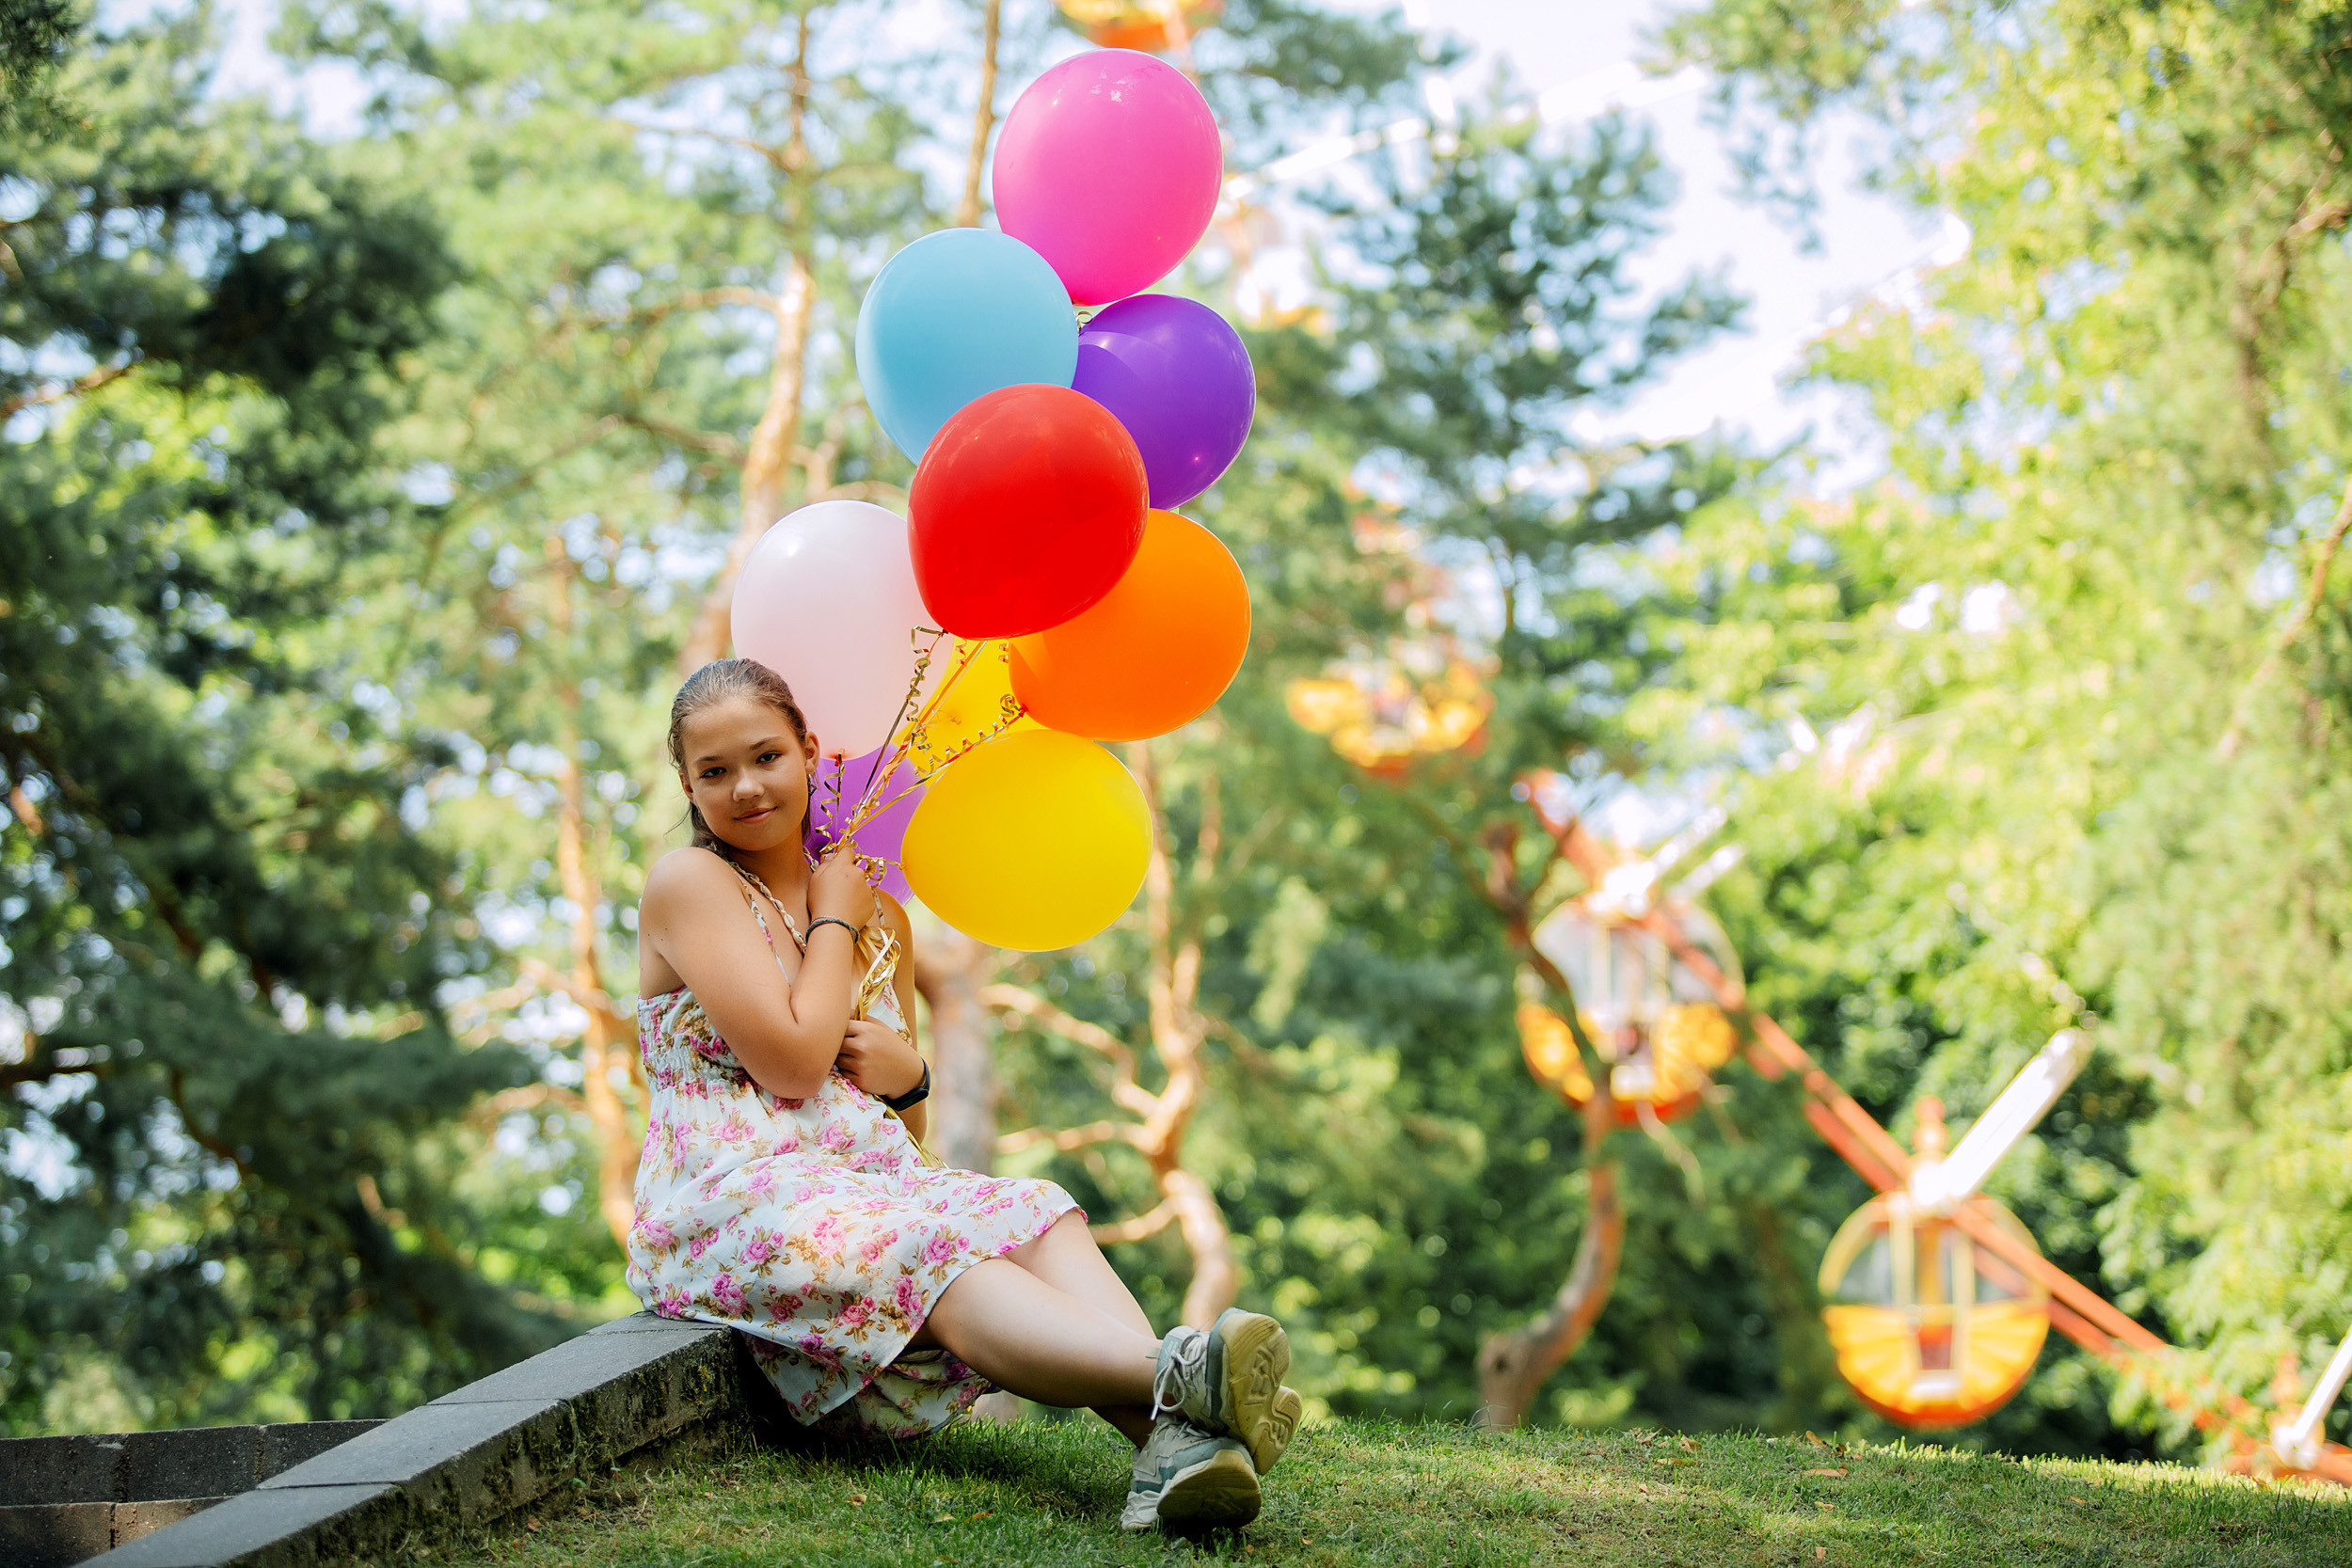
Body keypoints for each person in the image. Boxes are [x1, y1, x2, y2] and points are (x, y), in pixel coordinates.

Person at [627, 657, 1300, 1530]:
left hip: (859, 1182)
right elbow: (791, 1067)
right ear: (687, 783)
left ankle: (1170, 1449)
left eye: (766, 756)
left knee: (1037, 1209)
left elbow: (900, 1134)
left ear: (810, 751)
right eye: (714, 772)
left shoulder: (880, 920)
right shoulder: (692, 885)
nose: (746, 787)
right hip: (738, 1195)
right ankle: (1180, 1374)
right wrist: (834, 913)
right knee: (936, 1248)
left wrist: (912, 1076)